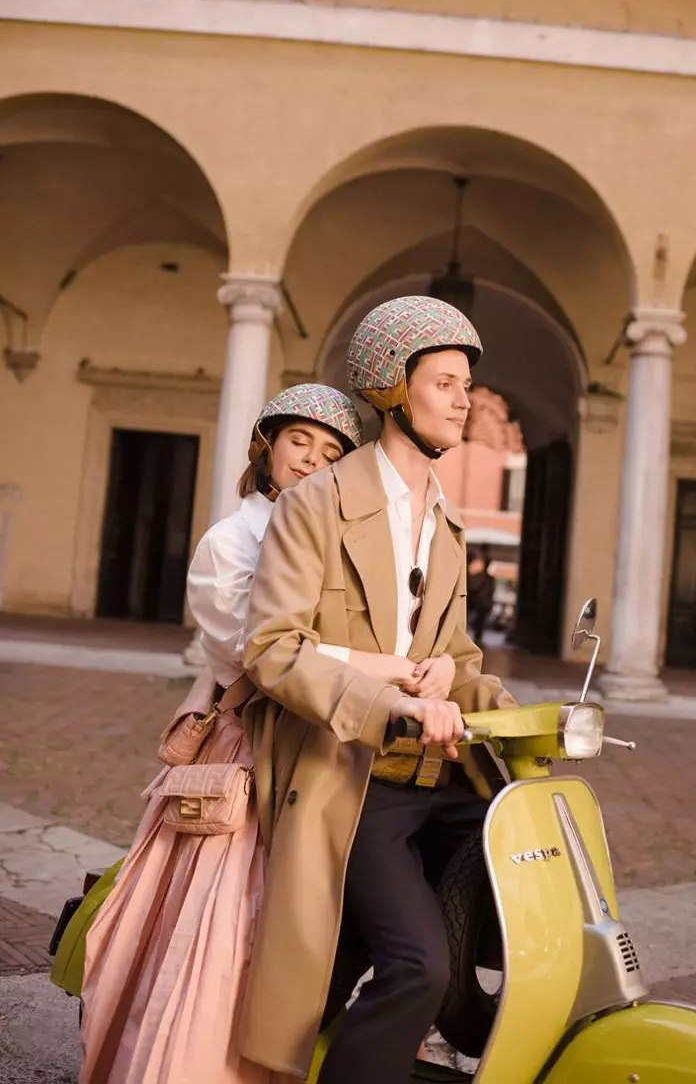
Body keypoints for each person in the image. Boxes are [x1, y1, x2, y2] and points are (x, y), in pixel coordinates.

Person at [237, 297, 517, 1084]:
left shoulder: (446, 523)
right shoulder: (314, 506)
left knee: (528, 845)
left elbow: (457, 658)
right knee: (417, 965)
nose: (467, 399)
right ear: (393, 386)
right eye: (447, 382)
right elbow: (272, 649)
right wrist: (394, 700)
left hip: (438, 768)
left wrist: (503, 703)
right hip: (354, 777)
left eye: (468, 384)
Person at [79, 384, 379, 1084]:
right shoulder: (230, 541)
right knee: (222, 928)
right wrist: (379, 665)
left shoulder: (323, 542)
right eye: (300, 442)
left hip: (316, 752)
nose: (312, 460)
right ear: (267, 446)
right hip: (247, 750)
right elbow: (263, 655)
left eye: (331, 452)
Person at [466, 547, 495, 647]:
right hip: (479, 604)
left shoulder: (479, 577)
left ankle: (477, 638)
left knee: (478, 623)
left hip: (479, 604)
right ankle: (476, 639)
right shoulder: (486, 578)